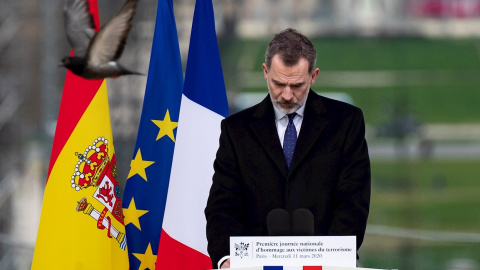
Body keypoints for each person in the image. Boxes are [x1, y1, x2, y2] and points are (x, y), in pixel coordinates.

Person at [205, 28, 371, 269]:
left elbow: (353, 203)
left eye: (297, 86)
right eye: (278, 83)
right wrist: (225, 259)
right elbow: (223, 206)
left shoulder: (346, 123)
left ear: (313, 76)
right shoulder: (236, 130)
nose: (286, 95)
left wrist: (333, 260)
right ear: (265, 72)